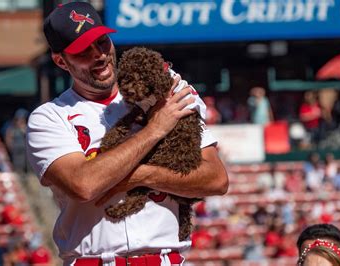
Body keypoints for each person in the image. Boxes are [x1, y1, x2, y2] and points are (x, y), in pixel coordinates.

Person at [26, 2, 228, 265]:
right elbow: (84, 184)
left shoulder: (166, 88)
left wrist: (141, 175)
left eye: (101, 42)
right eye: (82, 51)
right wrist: (154, 129)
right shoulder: (49, 117)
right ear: (61, 61)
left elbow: (216, 179)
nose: (98, 55)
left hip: (167, 259)